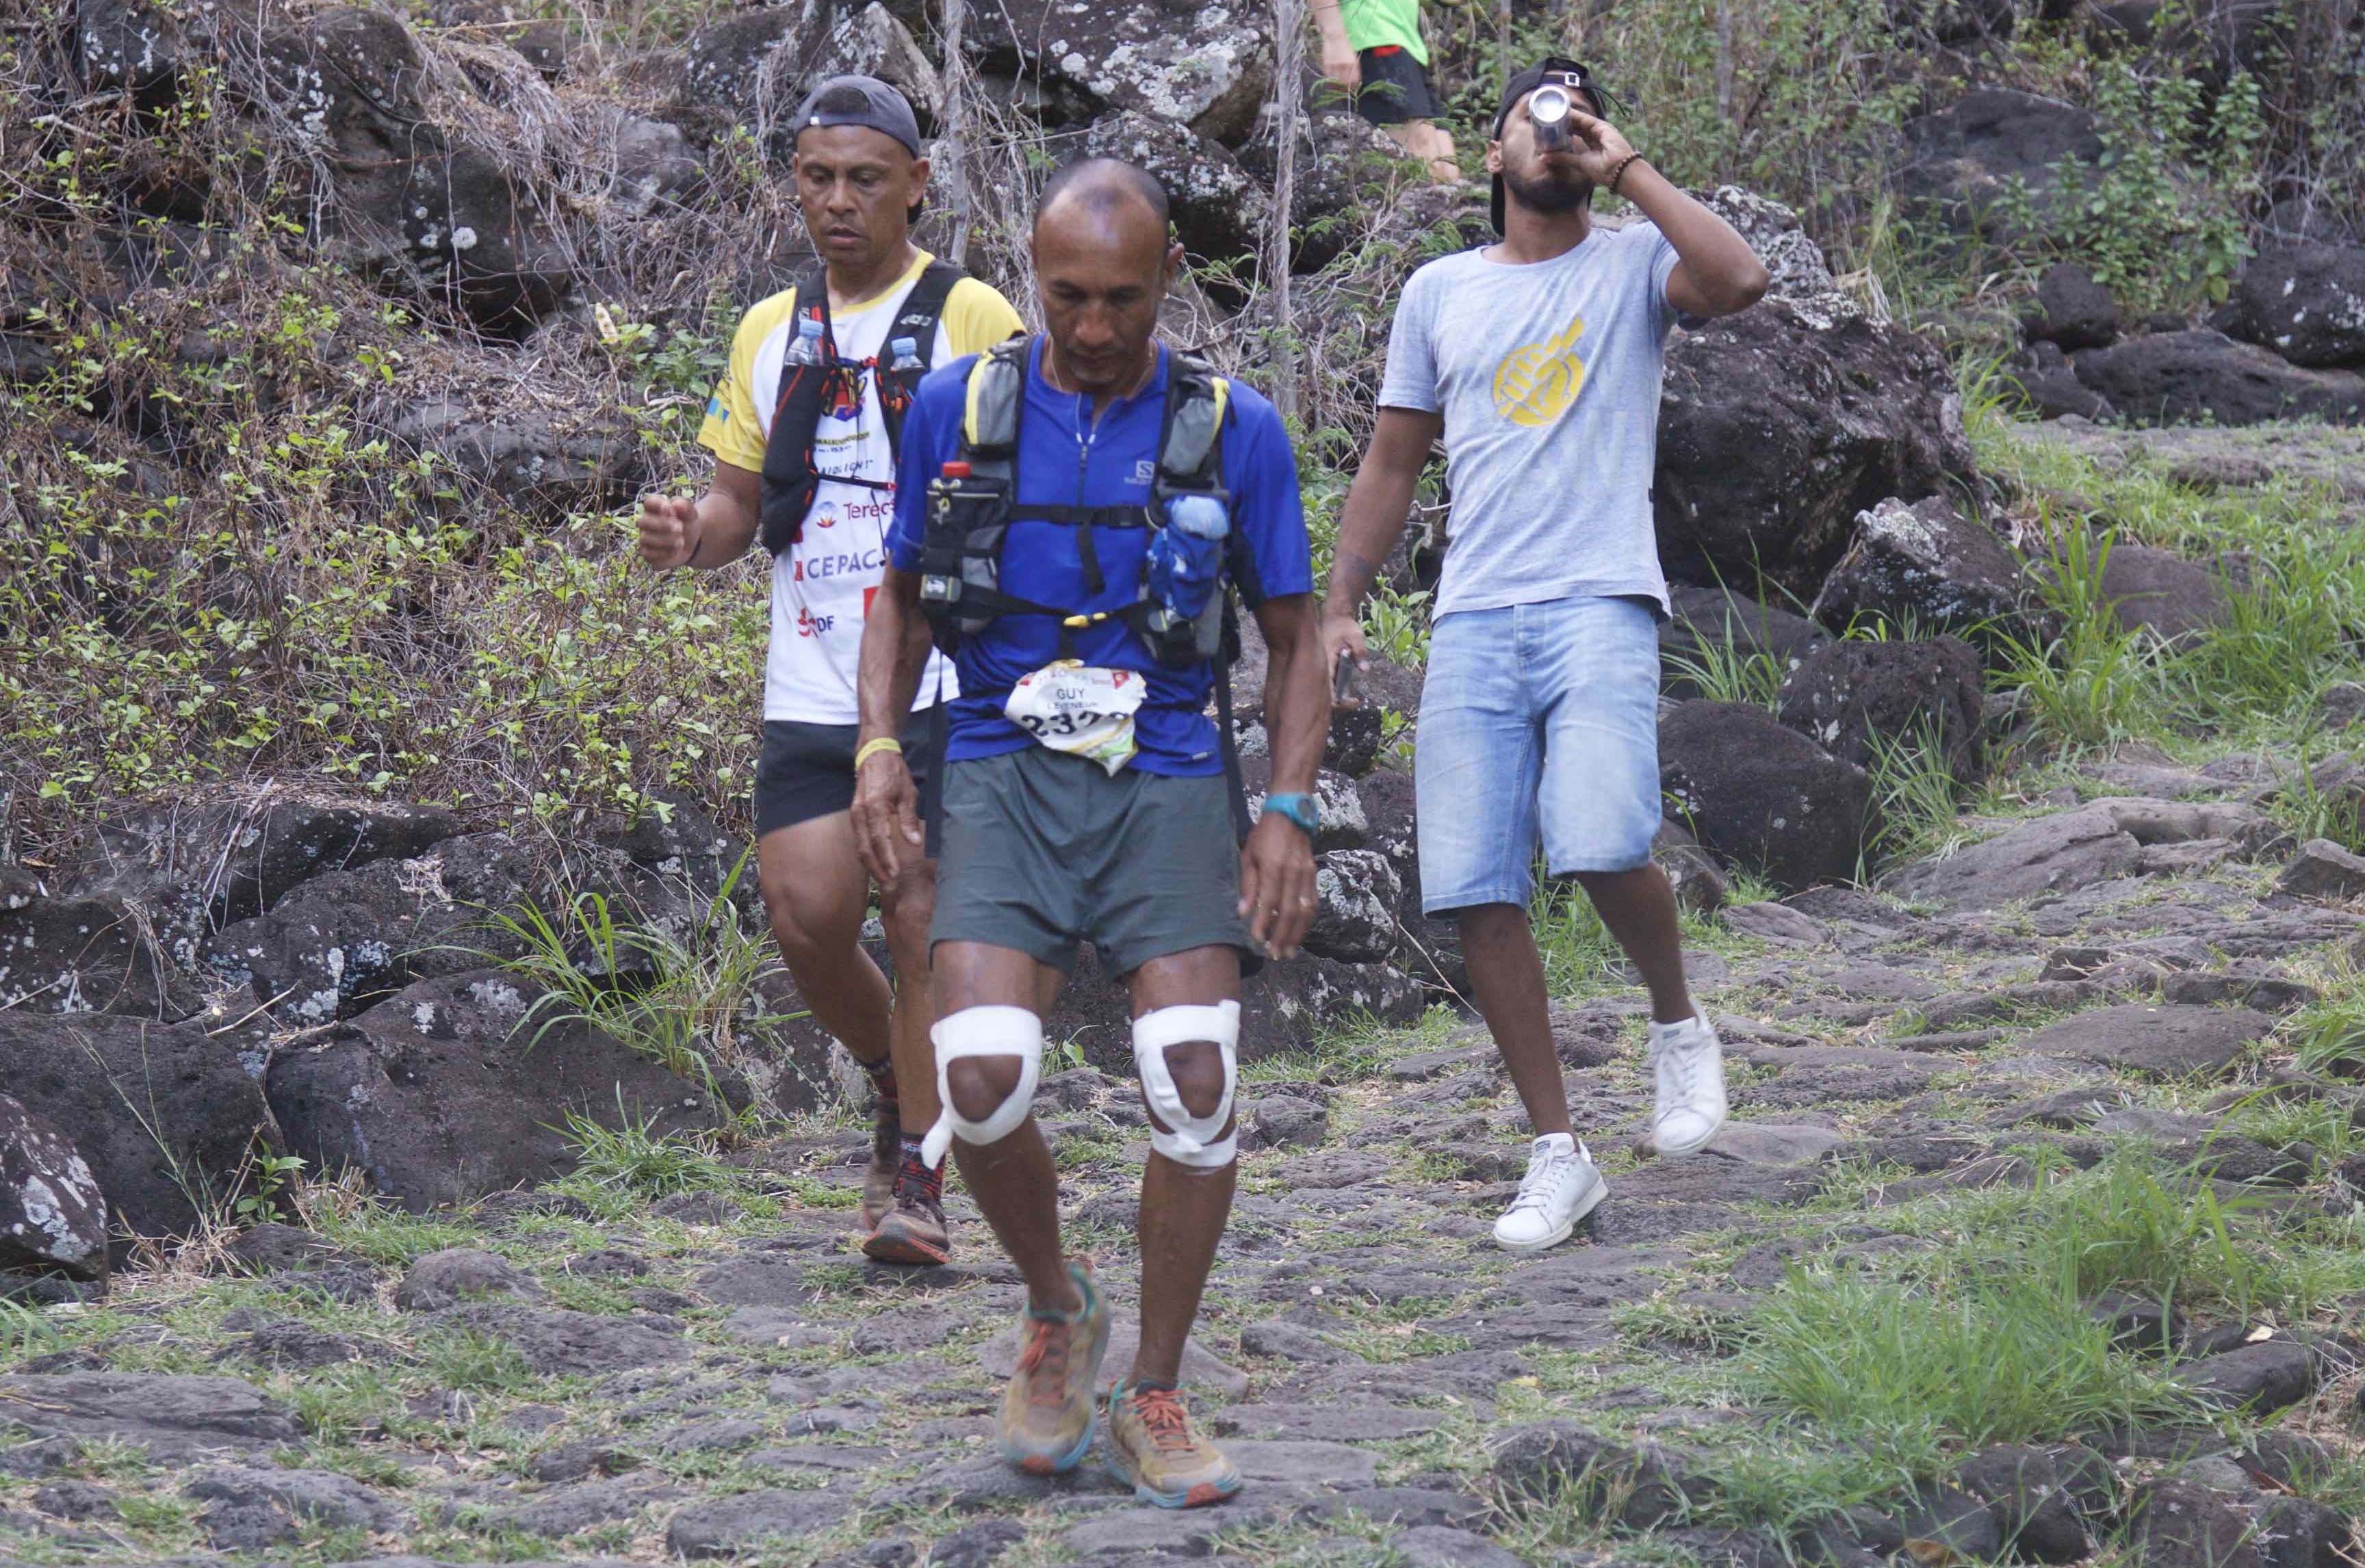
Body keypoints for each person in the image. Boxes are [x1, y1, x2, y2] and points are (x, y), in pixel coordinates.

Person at [850, 159, 1329, 1507]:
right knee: (984, 1074)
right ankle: (1058, 1311)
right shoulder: (958, 404)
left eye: (1124, 296)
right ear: (1033, 273)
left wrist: (1284, 810)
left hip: (1166, 768)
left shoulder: (1239, 429)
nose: (1098, 324)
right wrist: (881, 745)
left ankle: (1157, 1385)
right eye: (1069, 295)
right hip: (1003, 761)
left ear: (1169, 278)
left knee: (1193, 1081)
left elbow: (1297, 644)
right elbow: (898, 594)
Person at [1321, 58, 1770, 1254]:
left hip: (1598, 599)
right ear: (1490, 154)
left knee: (1601, 834)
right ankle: (1558, 1152)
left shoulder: (1629, 262)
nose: (1555, 126)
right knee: (1472, 885)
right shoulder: (1439, 291)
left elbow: (1738, 278)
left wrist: (1624, 168)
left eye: (1573, 110)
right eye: (1535, 111)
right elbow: (1392, 459)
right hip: (1474, 616)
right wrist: (1340, 600)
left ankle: (1676, 1024)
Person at [636, 75, 1024, 1266]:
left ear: (917, 180)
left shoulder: (971, 315)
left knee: (916, 910)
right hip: (807, 671)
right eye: (818, 177)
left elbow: (1033, 471)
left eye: (867, 177)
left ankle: (919, 1175)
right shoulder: (771, 329)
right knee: (807, 915)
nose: (840, 200)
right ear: (794, 182)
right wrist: (687, 533)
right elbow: (739, 503)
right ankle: (889, 1079)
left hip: (944, 681)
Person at [1311, 0, 1459, 183]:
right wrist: (1335, 38)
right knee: (1417, 165)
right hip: (1373, 34)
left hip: (1409, 45)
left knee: (1447, 170)